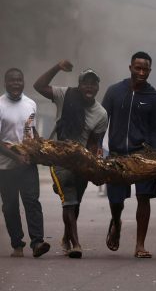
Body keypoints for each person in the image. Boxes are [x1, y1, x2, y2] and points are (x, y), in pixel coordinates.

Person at [33, 60, 108, 258]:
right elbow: (38, 86)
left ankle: (66, 237)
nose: (89, 87)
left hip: (80, 161)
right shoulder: (65, 95)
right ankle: (76, 244)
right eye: (85, 83)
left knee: (75, 202)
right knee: (69, 196)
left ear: (98, 87)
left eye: (93, 83)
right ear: (79, 85)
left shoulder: (101, 114)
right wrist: (57, 66)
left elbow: (94, 143)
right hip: (58, 156)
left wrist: (93, 163)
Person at [102, 51, 156, 258]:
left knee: (143, 198)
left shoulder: (154, 97)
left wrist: (154, 153)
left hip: (142, 154)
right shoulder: (114, 92)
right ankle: (116, 222)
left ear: (150, 71)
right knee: (116, 199)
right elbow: (101, 121)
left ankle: (140, 245)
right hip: (117, 154)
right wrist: (96, 146)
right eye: (137, 68)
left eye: (145, 69)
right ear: (130, 68)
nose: (141, 72)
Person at [0, 68, 50, 258]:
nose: (16, 84)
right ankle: (17, 244)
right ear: (5, 82)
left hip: (28, 163)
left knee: (32, 201)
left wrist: (40, 147)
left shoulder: (31, 104)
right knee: (10, 205)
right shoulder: (0, 105)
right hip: (5, 166)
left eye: (19, 80)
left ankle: (37, 242)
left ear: (23, 82)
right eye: (12, 80)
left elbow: (31, 130)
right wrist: (16, 157)